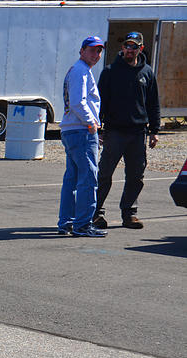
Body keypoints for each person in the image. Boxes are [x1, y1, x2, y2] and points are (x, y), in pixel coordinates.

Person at [93, 32, 161, 230]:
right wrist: (99, 129)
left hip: (138, 133)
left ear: (140, 49)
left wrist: (154, 130)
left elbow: (153, 104)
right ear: (122, 48)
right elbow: (100, 102)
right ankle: (95, 213)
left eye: (133, 47)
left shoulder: (147, 72)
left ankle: (129, 213)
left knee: (136, 176)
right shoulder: (110, 71)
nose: (129, 50)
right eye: (126, 46)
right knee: (104, 174)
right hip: (114, 132)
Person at [57, 36, 105, 237]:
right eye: (92, 50)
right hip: (80, 130)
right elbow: (78, 102)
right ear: (82, 51)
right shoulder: (81, 71)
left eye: (99, 51)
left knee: (73, 178)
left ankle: (67, 222)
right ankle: (83, 224)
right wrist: (91, 123)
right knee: (88, 178)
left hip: (72, 130)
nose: (96, 55)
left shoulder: (79, 70)